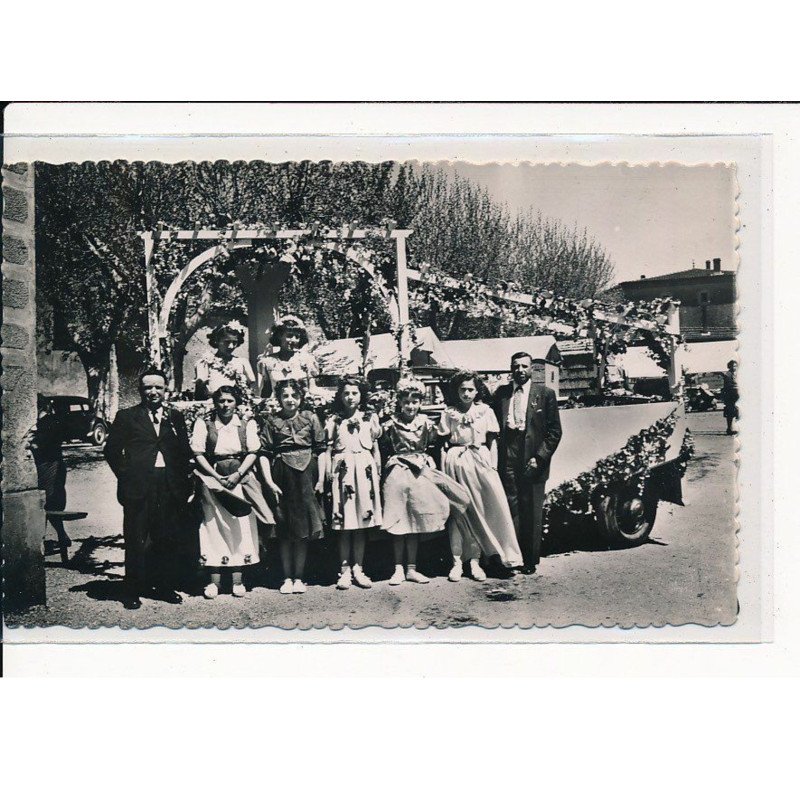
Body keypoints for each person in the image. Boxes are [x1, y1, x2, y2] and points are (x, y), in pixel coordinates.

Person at [104, 368, 193, 609]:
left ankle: (164, 586)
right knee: (135, 538)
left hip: (168, 485)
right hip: (139, 486)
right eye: (147, 388)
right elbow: (111, 451)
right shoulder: (127, 416)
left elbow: (184, 451)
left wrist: (183, 482)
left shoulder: (175, 417)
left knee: (166, 537)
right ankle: (131, 590)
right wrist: (126, 475)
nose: (153, 392)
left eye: (158, 387)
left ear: (166, 390)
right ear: (140, 390)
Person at [379, 378, 470, 586]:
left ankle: (411, 568)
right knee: (398, 519)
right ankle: (398, 569)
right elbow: (384, 447)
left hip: (419, 472)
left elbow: (434, 445)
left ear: (420, 403)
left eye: (415, 401)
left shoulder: (427, 424)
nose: (410, 406)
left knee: (414, 518)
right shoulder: (391, 424)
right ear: (399, 402)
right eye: (406, 402)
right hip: (397, 472)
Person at [437, 370, 523, 581]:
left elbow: (493, 440)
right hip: (456, 462)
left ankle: (477, 561)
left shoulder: (485, 411)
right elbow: (443, 443)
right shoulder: (449, 413)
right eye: (462, 390)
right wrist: (443, 472)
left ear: (477, 391)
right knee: (459, 514)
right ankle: (457, 562)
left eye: (470, 389)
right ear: (456, 391)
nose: (466, 394)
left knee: (481, 511)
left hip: (480, 461)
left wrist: (491, 466)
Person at [191, 385, 274, 599]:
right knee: (214, 525)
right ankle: (214, 581)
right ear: (215, 403)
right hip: (213, 479)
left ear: (236, 403)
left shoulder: (246, 425)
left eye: (229, 401)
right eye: (221, 401)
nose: (225, 405)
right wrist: (216, 477)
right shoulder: (204, 424)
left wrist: (237, 474)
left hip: (239, 477)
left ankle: (238, 579)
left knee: (240, 525)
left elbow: (253, 451)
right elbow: (198, 453)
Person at [492, 352, 563, 574]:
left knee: (531, 508)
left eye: (524, 366)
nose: (520, 370)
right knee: (510, 507)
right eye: (516, 366)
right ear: (510, 369)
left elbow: (554, 432)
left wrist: (539, 457)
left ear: (532, 369)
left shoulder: (545, 394)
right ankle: (512, 558)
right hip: (508, 455)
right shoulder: (502, 394)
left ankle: (530, 560)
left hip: (532, 455)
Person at [259, 379, 326, 595]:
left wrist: (322, 479)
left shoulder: (310, 418)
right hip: (282, 475)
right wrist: (269, 481)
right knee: (285, 526)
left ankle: (299, 577)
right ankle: (286, 577)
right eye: (285, 396)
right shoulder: (272, 421)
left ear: (301, 398)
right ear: (278, 398)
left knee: (303, 527)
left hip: (307, 474)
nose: (290, 400)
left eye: (294, 396)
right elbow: (263, 453)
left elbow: (321, 449)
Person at [317, 376, 382, 590]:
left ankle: (359, 568)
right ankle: (344, 569)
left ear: (361, 395)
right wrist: (327, 474)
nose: (350, 397)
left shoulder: (370, 418)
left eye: (354, 393)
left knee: (361, 523)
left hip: (364, 471)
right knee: (344, 524)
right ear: (340, 396)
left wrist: (378, 473)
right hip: (343, 473)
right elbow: (327, 449)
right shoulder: (334, 420)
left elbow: (375, 448)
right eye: (346, 393)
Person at [28, 396, 70, 562]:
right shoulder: (49, 422)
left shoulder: (48, 422)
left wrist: (32, 444)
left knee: (44, 503)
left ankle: (42, 543)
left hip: (49, 465)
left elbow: (44, 446)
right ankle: (60, 537)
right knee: (48, 505)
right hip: (50, 465)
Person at [257, 314, 319, 398]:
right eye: (289, 336)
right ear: (279, 336)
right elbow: (266, 392)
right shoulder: (268, 362)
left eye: (297, 337)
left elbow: (313, 389)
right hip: (278, 407)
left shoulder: (307, 360)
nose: (293, 340)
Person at [194, 322, 256, 401]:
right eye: (227, 342)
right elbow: (199, 393)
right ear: (217, 340)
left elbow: (248, 388)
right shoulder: (205, 362)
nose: (231, 346)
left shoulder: (242, 362)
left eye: (234, 342)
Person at [721, 359, 739, 436]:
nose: (734, 367)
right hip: (730, 395)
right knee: (730, 413)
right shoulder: (728, 375)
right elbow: (728, 386)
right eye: (733, 366)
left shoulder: (736, 374)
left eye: (735, 366)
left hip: (735, 394)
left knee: (736, 412)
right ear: (729, 366)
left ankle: (734, 428)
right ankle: (729, 429)